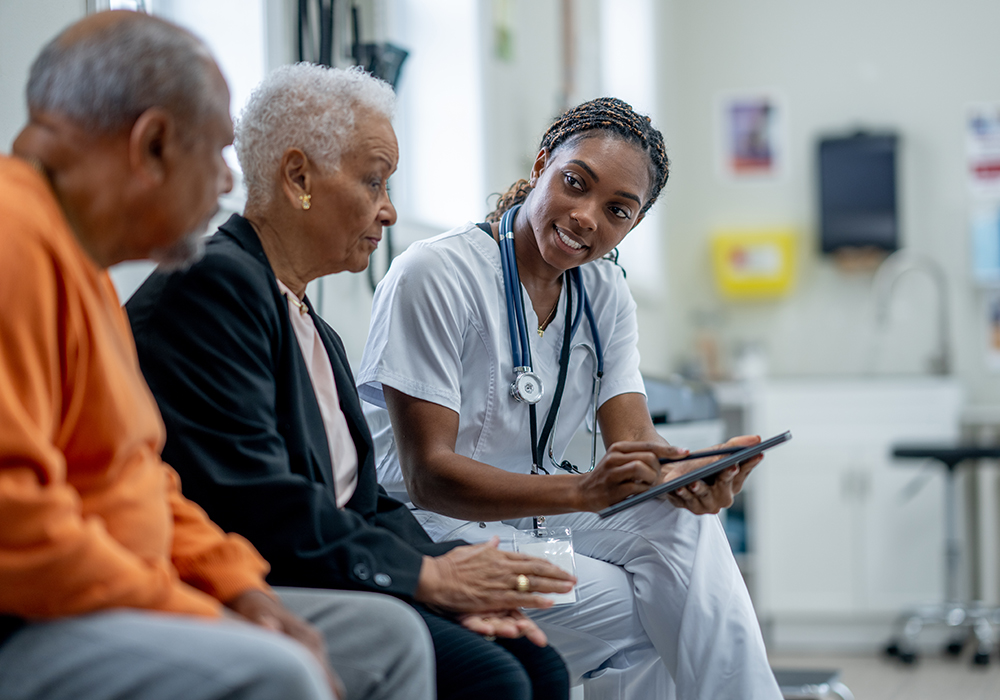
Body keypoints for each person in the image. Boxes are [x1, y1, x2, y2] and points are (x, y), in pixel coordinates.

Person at [0, 12, 437, 700]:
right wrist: (196, 606)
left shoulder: (81, 269)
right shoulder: (13, 244)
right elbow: (15, 526)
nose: (227, 184)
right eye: (215, 154)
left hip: (116, 586)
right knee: (280, 669)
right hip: (28, 614)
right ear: (152, 146)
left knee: (389, 638)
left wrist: (235, 585)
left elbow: (138, 483)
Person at [125, 63, 575, 700]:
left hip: (327, 564)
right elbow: (255, 499)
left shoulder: (311, 323)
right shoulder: (215, 286)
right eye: (374, 181)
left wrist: (451, 575)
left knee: (539, 664)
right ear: (299, 177)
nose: (389, 210)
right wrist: (424, 578)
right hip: (269, 575)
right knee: (493, 677)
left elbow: (362, 501)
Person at [356, 97, 784, 699]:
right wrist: (584, 490)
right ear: (541, 166)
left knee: (680, 527)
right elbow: (428, 478)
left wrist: (684, 473)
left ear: (633, 225)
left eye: (617, 211)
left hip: (539, 511)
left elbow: (634, 442)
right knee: (670, 606)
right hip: (432, 527)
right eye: (575, 184)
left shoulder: (604, 290)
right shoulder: (435, 272)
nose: (587, 218)